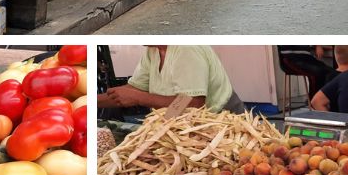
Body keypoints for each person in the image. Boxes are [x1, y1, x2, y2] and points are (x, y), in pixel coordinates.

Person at [99, 46, 245, 113]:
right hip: (179, 123)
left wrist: (139, 98)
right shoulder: (153, 51)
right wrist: (89, 102)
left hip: (221, 118)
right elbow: (133, 90)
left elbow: (193, 104)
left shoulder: (186, 49)